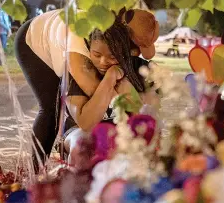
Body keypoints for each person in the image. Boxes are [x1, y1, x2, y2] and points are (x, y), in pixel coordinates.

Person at [14, 8, 159, 169]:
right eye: (136, 47)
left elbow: (146, 112)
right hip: (35, 41)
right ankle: (32, 171)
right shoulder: (80, 44)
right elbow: (95, 103)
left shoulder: (112, 33)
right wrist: (114, 79)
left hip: (63, 38)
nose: (137, 53)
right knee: (50, 109)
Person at [64, 21, 158, 162]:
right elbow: (86, 124)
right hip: (80, 132)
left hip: (123, 133)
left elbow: (144, 119)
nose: (103, 62)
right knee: (81, 147)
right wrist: (109, 78)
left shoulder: (141, 69)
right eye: (96, 55)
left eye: (113, 57)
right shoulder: (80, 71)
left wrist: (125, 86)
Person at [0, 1, 12, 66]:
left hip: (4, 32)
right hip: (1, 32)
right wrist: (8, 30)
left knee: (2, 47)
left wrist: (9, 29)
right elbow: (0, 22)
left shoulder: (5, 12)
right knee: (1, 47)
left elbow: (7, 22)